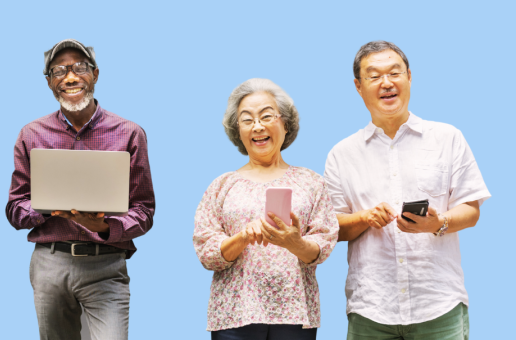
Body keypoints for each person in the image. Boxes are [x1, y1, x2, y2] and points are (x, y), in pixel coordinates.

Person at [324, 41, 490, 340]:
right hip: (371, 307)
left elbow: (471, 211)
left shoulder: (447, 137)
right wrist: (364, 218)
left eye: (395, 73)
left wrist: (437, 224)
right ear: (358, 87)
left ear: (409, 77)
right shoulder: (341, 154)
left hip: (438, 303)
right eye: (374, 76)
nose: (386, 83)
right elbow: (332, 228)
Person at [6, 39, 155, 340]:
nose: (70, 77)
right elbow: (15, 209)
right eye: (59, 70)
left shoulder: (129, 133)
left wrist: (103, 226)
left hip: (106, 263)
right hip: (50, 263)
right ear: (49, 82)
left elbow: (144, 211)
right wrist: (44, 208)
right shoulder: (31, 134)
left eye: (80, 68)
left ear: (96, 75)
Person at [193, 78, 338, 340]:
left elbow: (324, 243)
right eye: (247, 120)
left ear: (285, 123)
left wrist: (295, 242)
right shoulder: (222, 185)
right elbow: (206, 251)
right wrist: (242, 237)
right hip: (233, 316)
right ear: (238, 131)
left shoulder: (311, 182)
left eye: (267, 116)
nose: (257, 126)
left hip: (294, 315)